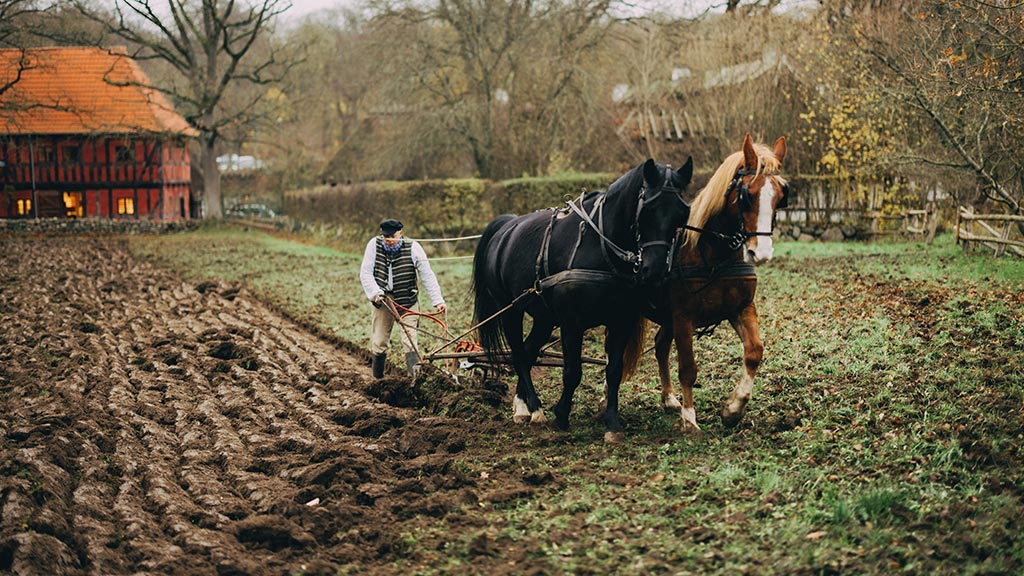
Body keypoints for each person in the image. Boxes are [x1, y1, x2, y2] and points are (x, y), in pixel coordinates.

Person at [359, 218, 446, 379]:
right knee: (379, 340)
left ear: (401, 233)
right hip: (383, 299)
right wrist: (375, 293)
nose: (389, 240)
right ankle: (377, 378)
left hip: (407, 299)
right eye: (386, 237)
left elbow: (427, 275)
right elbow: (365, 273)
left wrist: (438, 300)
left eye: (393, 236)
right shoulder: (374, 245)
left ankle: (414, 379)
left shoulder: (414, 248)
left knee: (410, 338)